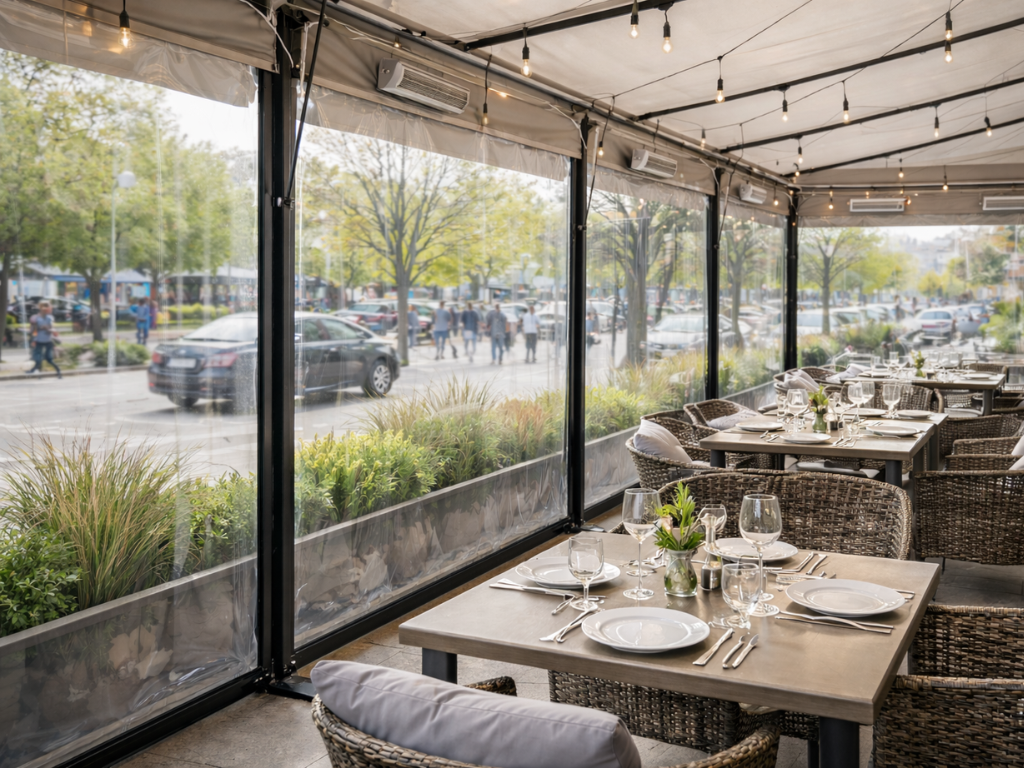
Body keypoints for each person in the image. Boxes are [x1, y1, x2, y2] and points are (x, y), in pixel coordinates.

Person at [27, 300, 61, 378]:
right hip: (39, 341)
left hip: (48, 341)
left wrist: (47, 328)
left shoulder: (49, 318)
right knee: (37, 359)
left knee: (49, 359)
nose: (50, 308)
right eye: (49, 306)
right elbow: (33, 331)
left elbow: (53, 329)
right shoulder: (35, 318)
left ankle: (58, 372)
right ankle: (35, 372)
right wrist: (31, 330)